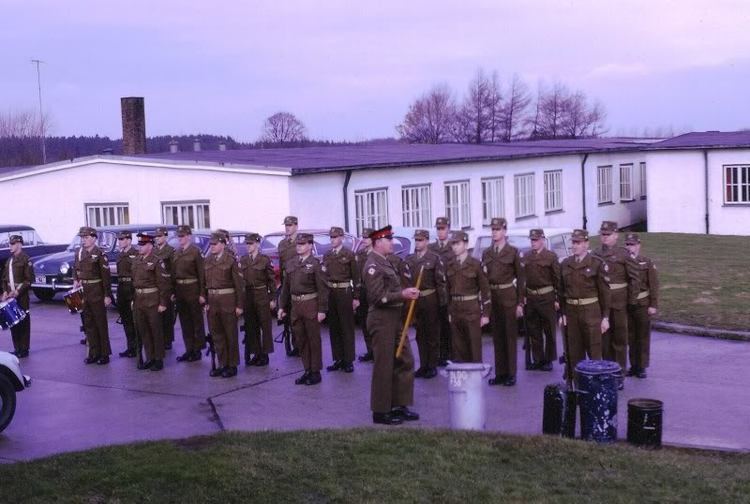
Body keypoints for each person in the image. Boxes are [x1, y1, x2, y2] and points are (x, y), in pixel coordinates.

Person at [364, 225, 421, 425]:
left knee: (405, 359)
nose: (392, 242)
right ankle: (380, 411)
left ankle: (399, 404)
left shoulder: (385, 262)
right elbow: (378, 297)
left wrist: (405, 293)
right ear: (378, 242)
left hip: (394, 319)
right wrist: (403, 295)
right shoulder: (372, 265)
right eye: (388, 239)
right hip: (382, 320)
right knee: (384, 365)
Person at [278, 233, 328, 385]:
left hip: (310, 304)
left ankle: (315, 371)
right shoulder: (291, 263)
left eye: (302, 244)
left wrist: (322, 310)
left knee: (313, 339)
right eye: (298, 244)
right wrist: (281, 306)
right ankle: (307, 369)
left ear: (310, 246)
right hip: (296, 306)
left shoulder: (315, 264)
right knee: (301, 339)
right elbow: (286, 287)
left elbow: (323, 289)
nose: (299, 246)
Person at [559, 229, 611, 375]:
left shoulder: (596, 264)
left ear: (586, 243)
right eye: (573, 242)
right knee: (574, 352)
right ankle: (577, 388)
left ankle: (595, 387)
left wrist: (605, 318)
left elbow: (605, 294)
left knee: (594, 351)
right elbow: (561, 291)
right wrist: (562, 314)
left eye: (578, 243)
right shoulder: (565, 264)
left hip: (591, 313)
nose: (575, 246)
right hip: (571, 313)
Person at [481, 218, 525, 386]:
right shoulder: (487, 253)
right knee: (497, 337)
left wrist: (520, 303)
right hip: (493, 297)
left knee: (509, 337)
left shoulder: (513, 252)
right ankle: (500, 373)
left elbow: (521, 279)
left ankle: (511, 373)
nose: (494, 232)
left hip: (508, 296)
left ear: (505, 231)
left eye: (498, 229)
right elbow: (484, 279)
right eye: (492, 229)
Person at [594, 221, 639, 380]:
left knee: (619, 339)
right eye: (602, 234)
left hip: (619, 302)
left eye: (608, 234)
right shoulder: (595, 254)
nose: (604, 237)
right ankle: (607, 371)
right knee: (604, 340)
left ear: (616, 235)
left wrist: (632, 301)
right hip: (601, 303)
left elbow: (634, 279)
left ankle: (619, 373)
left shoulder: (624, 254)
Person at [402, 229, 446, 379]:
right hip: (416, 300)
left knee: (432, 334)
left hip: (430, 298)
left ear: (427, 241)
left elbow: (440, 283)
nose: (418, 243)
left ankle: (432, 365)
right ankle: (423, 365)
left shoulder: (434, 258)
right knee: (420, 334)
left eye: (420, 240)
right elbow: (406, 281)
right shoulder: (410, 259)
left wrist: (442, 304)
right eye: (416, 240)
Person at [446, 231, 491, 366]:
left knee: (474, 347)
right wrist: (449, 311)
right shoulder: (450, 264)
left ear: (465, 244)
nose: (455, 247)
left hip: (471, 309)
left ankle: (475, 383)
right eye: (453, 244)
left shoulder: (476, 264)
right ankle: (462, 382)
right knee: (458, 348)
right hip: (455, 309)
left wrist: (486, 314)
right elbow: (448, 291)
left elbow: (485, 290)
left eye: (458, 244)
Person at [204, 232, 245, 378]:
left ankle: (232, 365)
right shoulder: (207, 260)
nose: (212, 247)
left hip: (227, 300)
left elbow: (239, 285)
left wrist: (239, 305)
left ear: (222, 244)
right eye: (211, 244)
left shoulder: (231, 260)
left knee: (230, 334)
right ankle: (222, 363)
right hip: (213, 301)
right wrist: (206, 301)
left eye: (215, 244)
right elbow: (204, 283)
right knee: (217, 335)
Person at [522, 228, 561, 372]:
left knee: (549, 330)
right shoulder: (526, 257)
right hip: (531, 297)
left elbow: (557, 279)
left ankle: (548, 359)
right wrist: (523, 297)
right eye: (532, 240)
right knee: (534, 330)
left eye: (536, 240)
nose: (533, 242)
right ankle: (538, 359)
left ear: (542, 240)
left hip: (547, 297)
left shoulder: (551, 257)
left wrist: (557, 298)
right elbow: (523, 280)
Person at [73, 226, 113, 365]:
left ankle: (104, 354)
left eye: (86, 238)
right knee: (88, 323)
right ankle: (93, 353)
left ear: (94, 238)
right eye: (82, 238)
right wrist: (76, 281)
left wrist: (107, 295)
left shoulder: (100, 254)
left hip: (97, 291)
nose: (84, 240)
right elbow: (76, 269)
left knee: (100, 324)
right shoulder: (79, 252)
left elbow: (106, 277)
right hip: (84, 291)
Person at [322, 226, 359, 373]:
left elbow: (356, 278)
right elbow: (323, 277)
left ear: (342, 238)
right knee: (334, 327)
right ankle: (337, 358)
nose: (332, 240)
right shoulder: (327, 255)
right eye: (331, 237)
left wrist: (356, 297)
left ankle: (348, 360)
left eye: (335, 237)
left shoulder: (349, 255)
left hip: (344, 292)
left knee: (346, 327)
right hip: (331, 292)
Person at [131, 233, 170, 371]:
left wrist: (163, 303)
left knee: (155, 330)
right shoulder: (136, 261)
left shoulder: (157, 261)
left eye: (142, 245)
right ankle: (150, 357)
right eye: (139, 244)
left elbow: (164, 284)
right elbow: (134, 282)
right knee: (144, 330)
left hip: (152, 299)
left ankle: (158, 358)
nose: (140, 247)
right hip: (139, 300)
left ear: (149, 246)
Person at [625, 233, 659, 379]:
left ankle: (642, 366)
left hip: (643, 304)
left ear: (638, 245)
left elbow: (654, 284)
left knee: (643, 336)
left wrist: (653, 304)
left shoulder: (646, 262)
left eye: (632, 244)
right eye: (627, 244)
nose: (630, 247)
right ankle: (633, 365)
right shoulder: (623, 262)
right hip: (627, 304)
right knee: (630, 336)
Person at [239, 232, 275, 367]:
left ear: (257, 244)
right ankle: (256, 352)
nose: (248, 246)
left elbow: (271, 280)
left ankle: (265, 354)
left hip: (261, 293)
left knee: (264, 325)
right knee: (251, 325)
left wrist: (272, 298)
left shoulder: (264, 260)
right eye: (247, 244)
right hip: (248, 295)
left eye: (251, 244)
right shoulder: (243, 260)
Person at [172, 225, 206, 363]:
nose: (180, 239)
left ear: (189, 236)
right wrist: (173, 291)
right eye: (179, 236)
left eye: (183, 236)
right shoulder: (177, 252)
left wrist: (202, 293)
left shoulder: (195, 252)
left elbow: (202, 274)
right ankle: (189, 349)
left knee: (196, 321)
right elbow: (174, 274)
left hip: (193, 289)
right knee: (185, 322)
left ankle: (197, 350)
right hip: (180, 290)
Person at [1, 235, 33, 358]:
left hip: (21, 295)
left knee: (23, 321)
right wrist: (4, 291)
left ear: (19, 244)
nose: (10, 246)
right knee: (13, 322)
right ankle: (17, 348)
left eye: (13, 244)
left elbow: (28, 280)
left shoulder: (26, 260)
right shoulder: (9, 261)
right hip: (10, 295)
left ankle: (24, 349)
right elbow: (4, 279)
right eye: (10, 244)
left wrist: (17, 292)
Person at [428, 217, 454, 366]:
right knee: (435, 325)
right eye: (438, 228)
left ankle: (450, 354)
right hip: (436, 291)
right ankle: (439, 355)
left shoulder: (453, 246)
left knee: (449, 325)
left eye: (443, 228)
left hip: (449, 291)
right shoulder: (431, 248)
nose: (440, 231)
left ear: (448, 229)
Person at [278, 216, 300, 357]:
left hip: (298, 280)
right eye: (286, 225)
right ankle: (293, 345)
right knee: (289, 316)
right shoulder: (282, 244)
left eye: (290, 225)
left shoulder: (301, 242)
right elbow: (281, 266)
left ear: (296, 226)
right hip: (286, 281)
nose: (287, 228)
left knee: (298, 316)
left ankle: (300, 346)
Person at [115, 231, 138, 358]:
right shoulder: (120, 255)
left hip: (131, 288)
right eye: (119, 239)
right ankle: (130, 347)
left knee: (134, 320)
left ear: (129, 240)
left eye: (122, 239)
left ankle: (137, 348)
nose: (120, 241)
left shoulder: (135, 254)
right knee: (125, 320)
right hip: (121, 288)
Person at [154, 227, 176, 350]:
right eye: (156, 236)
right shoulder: (153, 250)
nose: (157, 238)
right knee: (158, 315)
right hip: (156, 286)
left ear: (165, 237)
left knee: (167, 315)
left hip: (167, 286)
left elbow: (173, 272)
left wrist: (173, 290)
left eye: (160, 236)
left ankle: (168, 340)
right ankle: (160, 338)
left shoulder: (171, 251)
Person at [356, 227, 375, 362]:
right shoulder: (361, 254)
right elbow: (357, 275)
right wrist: (356, 295)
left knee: (374, 322)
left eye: (366, 237)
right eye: (363, 237)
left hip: (374, 290)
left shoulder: (378, 253)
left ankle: (377, 351)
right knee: (364, 322)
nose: (363, 240)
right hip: (363, 290)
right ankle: (370, 351)